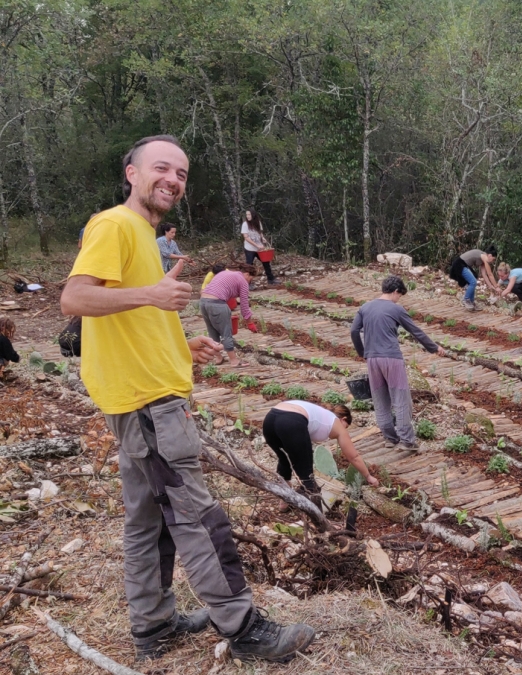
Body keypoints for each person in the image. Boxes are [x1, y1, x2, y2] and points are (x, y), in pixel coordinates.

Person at [60, 135, 315, 663]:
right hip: (148, 405)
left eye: (180, 173)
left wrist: (181, 343)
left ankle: (153, 627)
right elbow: (75, 297)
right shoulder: (116, 224)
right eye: (162, 168)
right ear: (131, 173)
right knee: (198, 518)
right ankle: (245, 630)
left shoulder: (143, 236)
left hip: (137, 399)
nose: (173, 180)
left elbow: (131, 318)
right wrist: (153, 295)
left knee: (148, 519)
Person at [350, 275, 445, 450]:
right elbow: (415, 331)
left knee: (380, 398)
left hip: (372, 359)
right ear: (395, 291)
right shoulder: (396, 309)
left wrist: (362, 353)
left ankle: (389, 438)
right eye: (399, 295)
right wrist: (434, 348)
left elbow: (354, 330)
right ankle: (407, 440)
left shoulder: (365, 307)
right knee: (401, 398)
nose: (398, 298)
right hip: (391, 358)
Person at [262, 401, 379, 512]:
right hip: (291, 421)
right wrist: (368, 476)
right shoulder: (337, 424)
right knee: (307, 475)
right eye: (346, 427)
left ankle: (284, 502)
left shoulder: (322, 414)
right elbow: (354, 457)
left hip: (270, 419)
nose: (345, 430)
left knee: (284, 461)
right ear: (343, 419)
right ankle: (317, 518)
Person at [200, 264, 258, 367]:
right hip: (217, 303)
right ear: (247, 274)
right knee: (226, 332)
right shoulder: (243, 281)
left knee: (212, 331)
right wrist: (249, 322)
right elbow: (244, 305)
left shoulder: (224, 273)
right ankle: (234, 361)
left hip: (203, 302)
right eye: (251, 278)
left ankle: (218, 358)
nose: (250, 281)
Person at [451, 245, 499, 311]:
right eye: (493, 259)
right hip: (459, 264)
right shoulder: (485, 258)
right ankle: (466, 300)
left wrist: (491, 286)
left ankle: (471, 302)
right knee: (473, 282)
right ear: (489, 255)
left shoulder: (483, 259)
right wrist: (496, 287)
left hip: (463, 265)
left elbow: (484, 275)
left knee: (473, 281)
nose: (492, 262)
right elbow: (490, 274)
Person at [241, 208, 276, 284]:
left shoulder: (258, 222)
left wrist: (262, 238)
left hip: (259, 248)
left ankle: (271, 279)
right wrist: (256, 245)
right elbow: (246, 237)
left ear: (253, 215)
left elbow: (260, 233)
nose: (247, 216)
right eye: (247, 214)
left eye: (249, 214)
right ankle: (247, 284)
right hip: (249, 248)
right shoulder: (245, 224)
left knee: (266, 262)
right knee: (249, 266)